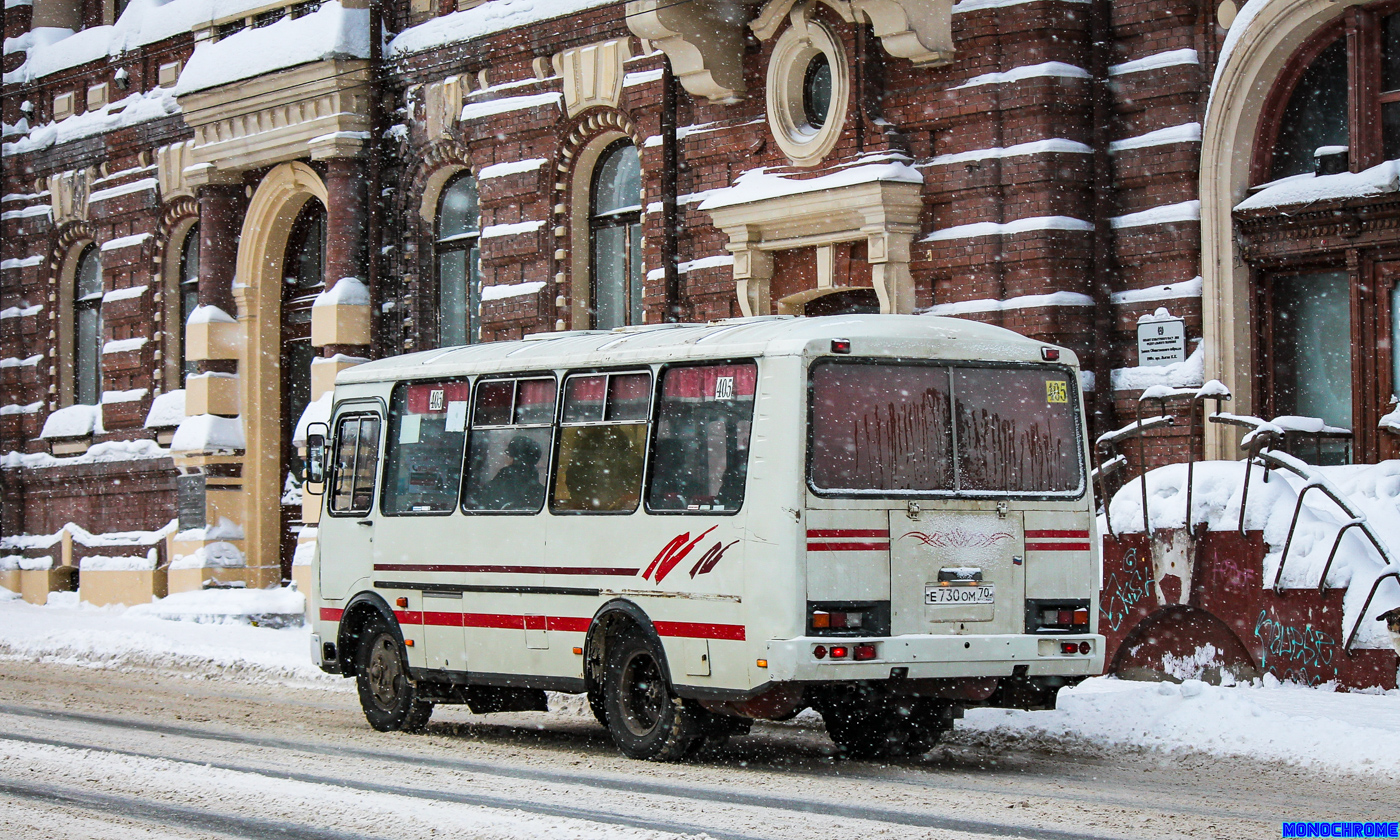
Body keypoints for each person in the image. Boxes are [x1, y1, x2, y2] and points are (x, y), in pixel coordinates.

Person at [482, 434, 545, 510]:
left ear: (513, 457)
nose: (504, 457)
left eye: (507, 454)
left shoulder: (501, 481)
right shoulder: (540, 491)